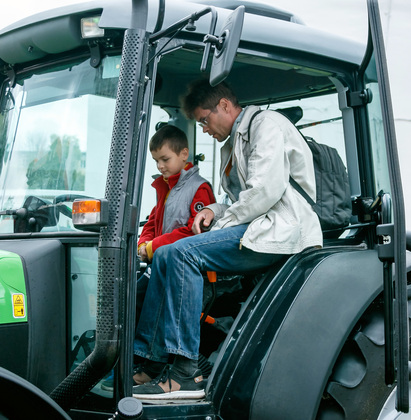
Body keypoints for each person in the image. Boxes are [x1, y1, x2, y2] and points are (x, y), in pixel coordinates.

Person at [132, 79, 323, 400]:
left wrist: (221, 224)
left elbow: (264, 192)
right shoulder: (233, 144)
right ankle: (153, 360)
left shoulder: (267, 126)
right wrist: (213, 210)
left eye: (204, 120)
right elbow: (238, 201)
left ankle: (186, 373)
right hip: (258, 225)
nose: (204, 129)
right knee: (165, 254)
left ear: (224, 105)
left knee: (181, 254)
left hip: (282, 230)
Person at [135, 125, 215, 323]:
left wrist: (153, 246)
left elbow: (195, 232)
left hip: (182, 267)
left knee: (137, 300)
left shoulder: (199, 189)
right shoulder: (167, 187)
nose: (160, 166)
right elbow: (153, 221)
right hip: (160, 261)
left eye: (165, 159)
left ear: (183, 154)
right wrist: (143, 243)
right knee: (131, 297)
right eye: (156, 161)